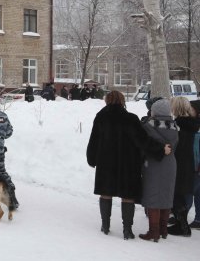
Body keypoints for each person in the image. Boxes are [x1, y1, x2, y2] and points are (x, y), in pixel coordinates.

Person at [86, 91, 170, 240]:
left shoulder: (101, 117)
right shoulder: (130, 118)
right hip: (128, 164)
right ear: (122, 101)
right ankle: (127, 230)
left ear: (107, 101)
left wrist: (92, 159)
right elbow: (142, 140)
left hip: (106, 163)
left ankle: (105, 225)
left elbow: (94, 140)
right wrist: (160, 149)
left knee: (106, 192)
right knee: (127, 196)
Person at [139, 98, 179, 242]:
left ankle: (153, 232)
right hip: (170, 164)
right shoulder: (175, 126)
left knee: (153, 196)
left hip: (154, 163)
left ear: (154, 111)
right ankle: (163, 230)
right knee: (166, 196)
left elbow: (143, 142)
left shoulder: (148, 125)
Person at [167, 97, 200, 237]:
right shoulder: (194, 124)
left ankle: (182, 225)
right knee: (186, 192)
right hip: (191, 163)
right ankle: (182, 223)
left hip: (180, 162)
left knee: (178, 193)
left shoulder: (177, 125)